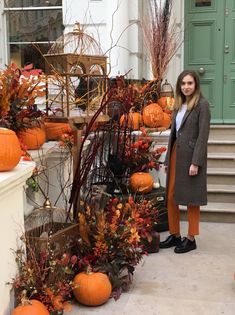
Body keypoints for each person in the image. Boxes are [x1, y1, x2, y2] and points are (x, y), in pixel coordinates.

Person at [160, 70, 211, 253]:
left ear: (196, 84)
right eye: (183, 83)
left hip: (191, 157)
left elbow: (202, 136)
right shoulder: (178, 104)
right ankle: (175, 235)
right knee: (171, 196)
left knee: (191, 198)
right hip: (175, 154)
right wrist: (167, 159)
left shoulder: (202, 105)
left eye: (190, 83)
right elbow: (173, 135)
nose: (186, 87)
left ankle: (191, 238)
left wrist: (196, 162)